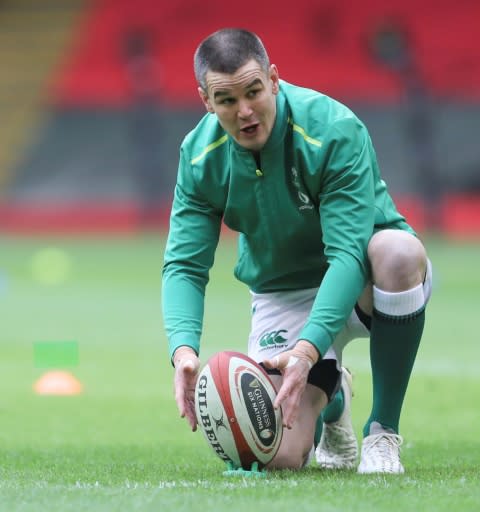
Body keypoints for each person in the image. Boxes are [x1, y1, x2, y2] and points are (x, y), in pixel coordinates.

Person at [162, 28, 431, 474]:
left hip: (362, 277)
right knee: (278, 456)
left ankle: (382, 433)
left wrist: (307, 351)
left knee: (400, 253)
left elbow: (346, 255)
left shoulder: (333, 129)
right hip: (281, 293)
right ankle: (333, 396)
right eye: (227, 100)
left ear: (273, 78)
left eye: (253, 91)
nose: (246, 111)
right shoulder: (198, 156)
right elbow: (185, 266)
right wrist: (183, 352)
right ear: (206, 101)